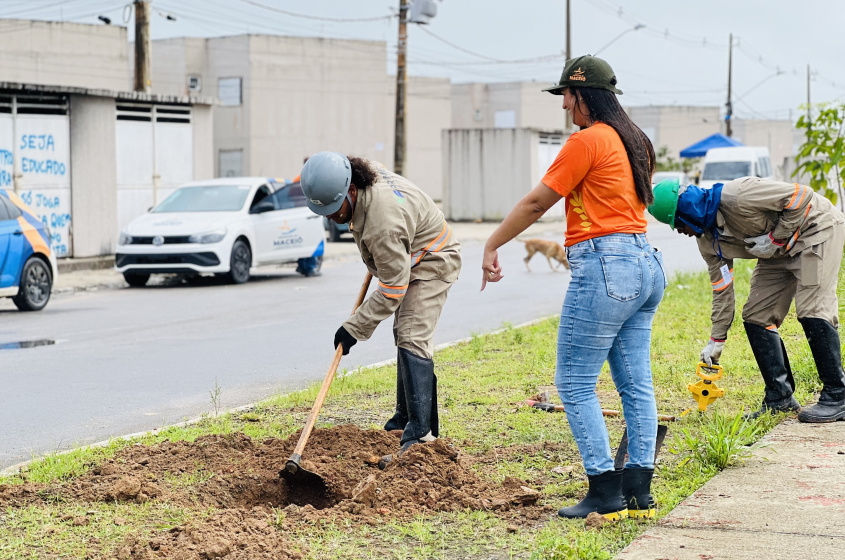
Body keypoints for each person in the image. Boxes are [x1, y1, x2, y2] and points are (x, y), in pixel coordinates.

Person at [482, 55, 666, 521]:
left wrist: (492, 242)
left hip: (606, 265)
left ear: (584, 95)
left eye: (566, 94)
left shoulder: (586, 141)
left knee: (574, 382)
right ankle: (638, 492)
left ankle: (604, 491)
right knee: (635, 383)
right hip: (645, 263)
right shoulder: (635, 140)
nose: (564, 105)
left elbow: (537, 201)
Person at [300, 152, 461, 465]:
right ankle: (404, 420)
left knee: (413, 335)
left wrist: (353, 329)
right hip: (409, 251)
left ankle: (420, 440)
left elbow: (392, 289)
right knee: (404, 333)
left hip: (433, 258)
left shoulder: (381, 225)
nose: (332, 218)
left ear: (351, 191)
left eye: (335, 210)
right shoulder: (363, 173)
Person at [649, 177, 845, 422]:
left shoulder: (738, 194)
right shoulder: (708, 242)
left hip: (815, 230)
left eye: (677, 225)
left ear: (686, 213)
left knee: (812, 309)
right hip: (778, 252)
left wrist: (775, 237)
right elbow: (722, 290)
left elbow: (800, 196)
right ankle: (779, 397)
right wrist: (716, 339)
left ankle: (838, 396)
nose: (680, 232)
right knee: (756, 315)